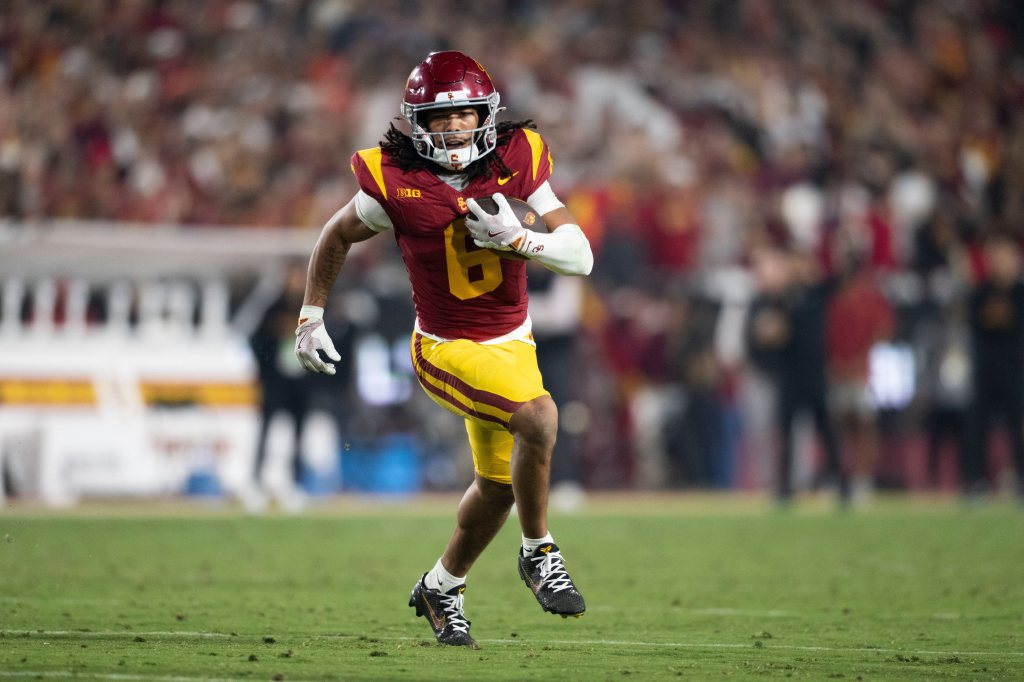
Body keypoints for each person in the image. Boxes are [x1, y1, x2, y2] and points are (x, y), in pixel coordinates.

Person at [293, 51, 593, 647]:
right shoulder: (395, 181)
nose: (454, 128)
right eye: (440, 117)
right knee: (539, 417)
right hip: (446, 345)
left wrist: (520, 239)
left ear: (485, 115)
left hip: (515, 340)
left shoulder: (516, 158)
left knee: (501, 485)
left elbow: (580, 256)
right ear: (415, 122)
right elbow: (336, 234)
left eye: (464, 116)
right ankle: (539, 552)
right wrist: (311, 314)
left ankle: (441, 586)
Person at [746, 246, 850, 505]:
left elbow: (843, 278)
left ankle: (841, 483)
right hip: (789, 373)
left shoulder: (817, 293)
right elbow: (765, 331)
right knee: (786, 433)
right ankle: (785, 486)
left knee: (826, 430)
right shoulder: (782, 298)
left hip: (814, 373)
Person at [965, 232, 1024, 499]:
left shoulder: (1020, 293)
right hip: (986, 370)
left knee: (1019, 427)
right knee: (977, 428)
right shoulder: (979, 294)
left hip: (1016, 370)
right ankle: (975, 482)